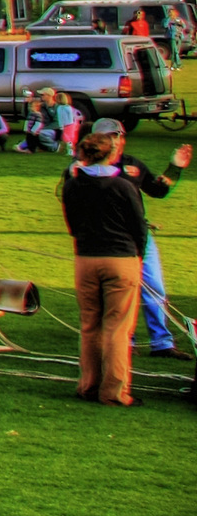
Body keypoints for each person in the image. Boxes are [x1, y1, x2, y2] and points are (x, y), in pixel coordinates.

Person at [59, 124, 166, 406]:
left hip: (86, 258)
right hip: (120, 259)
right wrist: (138, 257)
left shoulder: (72, 184)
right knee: (117, 328)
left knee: (90, 325)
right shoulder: (121, 185)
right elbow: (138, 227)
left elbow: (71, 224)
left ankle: (88, 385)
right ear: (111, 153)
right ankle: (114, 392)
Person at [86, 122, 191, 361]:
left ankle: (161, 343)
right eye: (109, 136)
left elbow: (157, 190)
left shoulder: (132, 165)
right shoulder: (85, 168)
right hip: (110, 239)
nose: (115, 140)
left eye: (118, 135)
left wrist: (174, 168)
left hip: (141, 236)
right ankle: (124, 341)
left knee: (154, 287)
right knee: (121, 291)